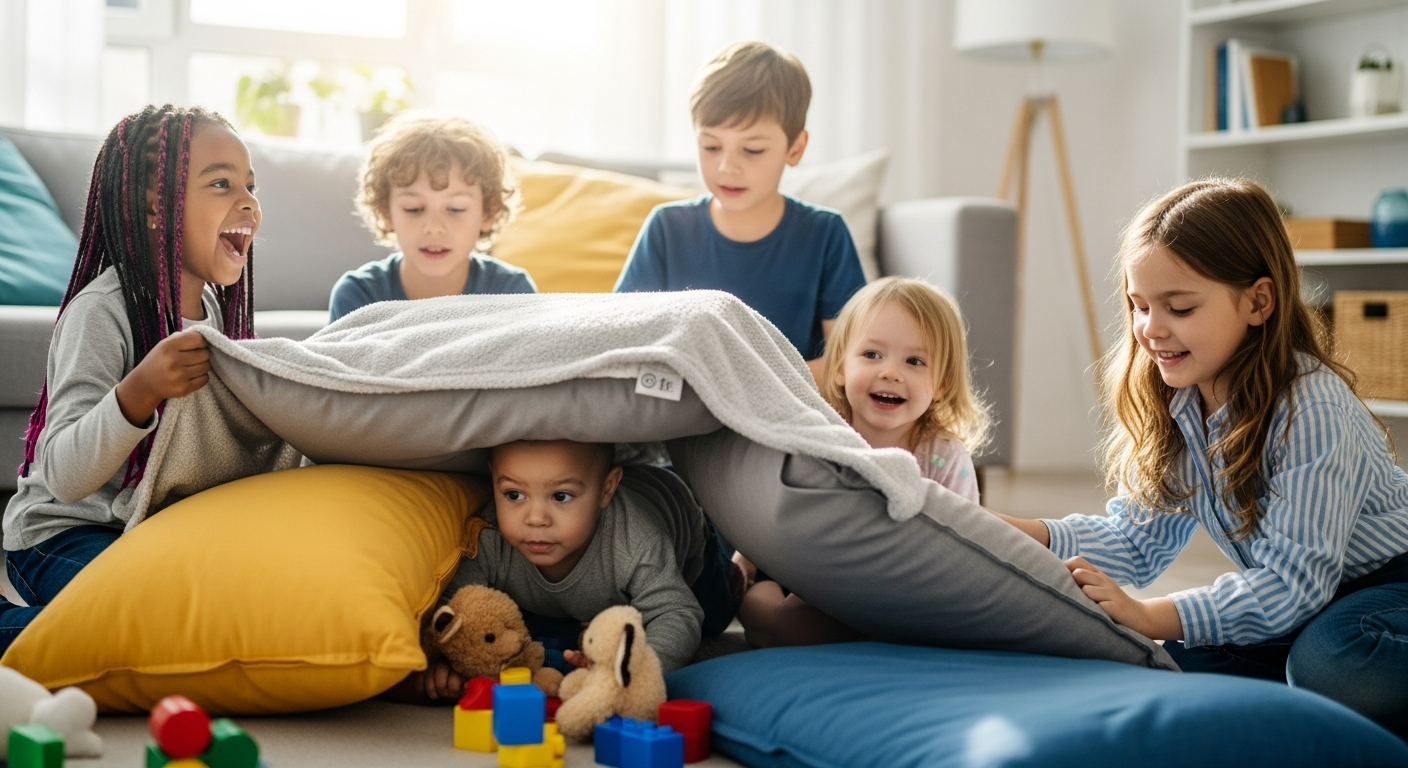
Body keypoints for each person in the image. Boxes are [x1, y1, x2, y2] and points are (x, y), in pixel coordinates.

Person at [993, 178, 1408, 736]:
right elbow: (1135, 542)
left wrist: (1149, 614)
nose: (1150, 329)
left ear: (1258, 302)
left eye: (1180, 307)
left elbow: (1292, 584)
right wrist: (1017, 533)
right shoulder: (1180, 402)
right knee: (1165, 664)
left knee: (1331, 665)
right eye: (1139, 306)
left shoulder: (1312, 408)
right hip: (1313, 607)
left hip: (1387, 589)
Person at [1, 105, 260, 654]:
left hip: (145, 532)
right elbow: (64, 475)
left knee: (221, 613)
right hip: (62, 532)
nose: (249, 203)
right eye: (221, 184)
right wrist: (139, 391)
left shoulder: (217, 315)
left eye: (251, 186)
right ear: (155, 208)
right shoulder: (102, 311)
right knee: (152, 628)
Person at [735, 276, 993, 648]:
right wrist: (745, 559)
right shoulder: (823, 435)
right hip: (814, 577)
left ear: (942, 385)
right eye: (872, 355)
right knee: (757, 602)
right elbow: (774, 506)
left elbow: (970, 539)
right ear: (840, 367)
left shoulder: (944, 455)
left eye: (915, 361)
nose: (890, 372)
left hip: (904, 588)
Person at [407, 440, 739, 702]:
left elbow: (677, 612)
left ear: (606, 490)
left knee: (712, 617)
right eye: (514, 494)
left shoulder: (637, 541)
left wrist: (631, 672)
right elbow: (452, 611)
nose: (535, 518)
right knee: (548, 641)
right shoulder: (489, 535)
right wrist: (444, 662)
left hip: (684, 526)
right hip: (582, 596)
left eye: (561, 496)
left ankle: (739, 567)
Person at [613, 41, 866, 373]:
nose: (727, 168)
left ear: (795, 148)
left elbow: (849, 360)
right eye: (711, 146)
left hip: (791, 401)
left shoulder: (825, 234)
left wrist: (749, 388)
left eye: (752, 150)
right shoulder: (667, 228)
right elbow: (624, 340)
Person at [328, 112, 534, 322]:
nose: (434, 227)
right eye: (414, 209)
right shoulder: (358, 295)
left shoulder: (512, 292)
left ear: (488, 213)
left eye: (455, 209)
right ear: (386, 212)